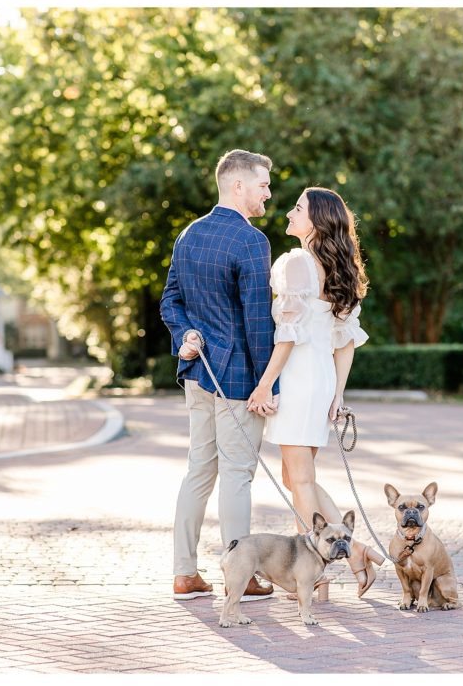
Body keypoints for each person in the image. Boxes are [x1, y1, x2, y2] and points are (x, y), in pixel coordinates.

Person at [245, 187, 385, 598]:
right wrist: (337, 394)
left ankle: (319, 568)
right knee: (297, 476)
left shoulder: (298, 263)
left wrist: (265, 383)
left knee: (300, 479)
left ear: (317, 220)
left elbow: (288, 336)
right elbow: (345, 342)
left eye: (298, 208)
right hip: (319, 379)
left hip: (300, 377)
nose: (289, 213)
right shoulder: (338, 267)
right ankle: (355, 552)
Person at [159, 149, 278, 602]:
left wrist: (186, 333)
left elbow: (170, 301)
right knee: (237, 475)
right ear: (238, 186)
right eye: (263, 184)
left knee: (199, 471)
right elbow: (257, 323)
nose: (268, 192)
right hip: (237, 380)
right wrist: (269, 385)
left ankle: (184, 574)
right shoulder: (251, 240)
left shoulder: (189, 234)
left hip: (196, 373)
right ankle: (241, 575)